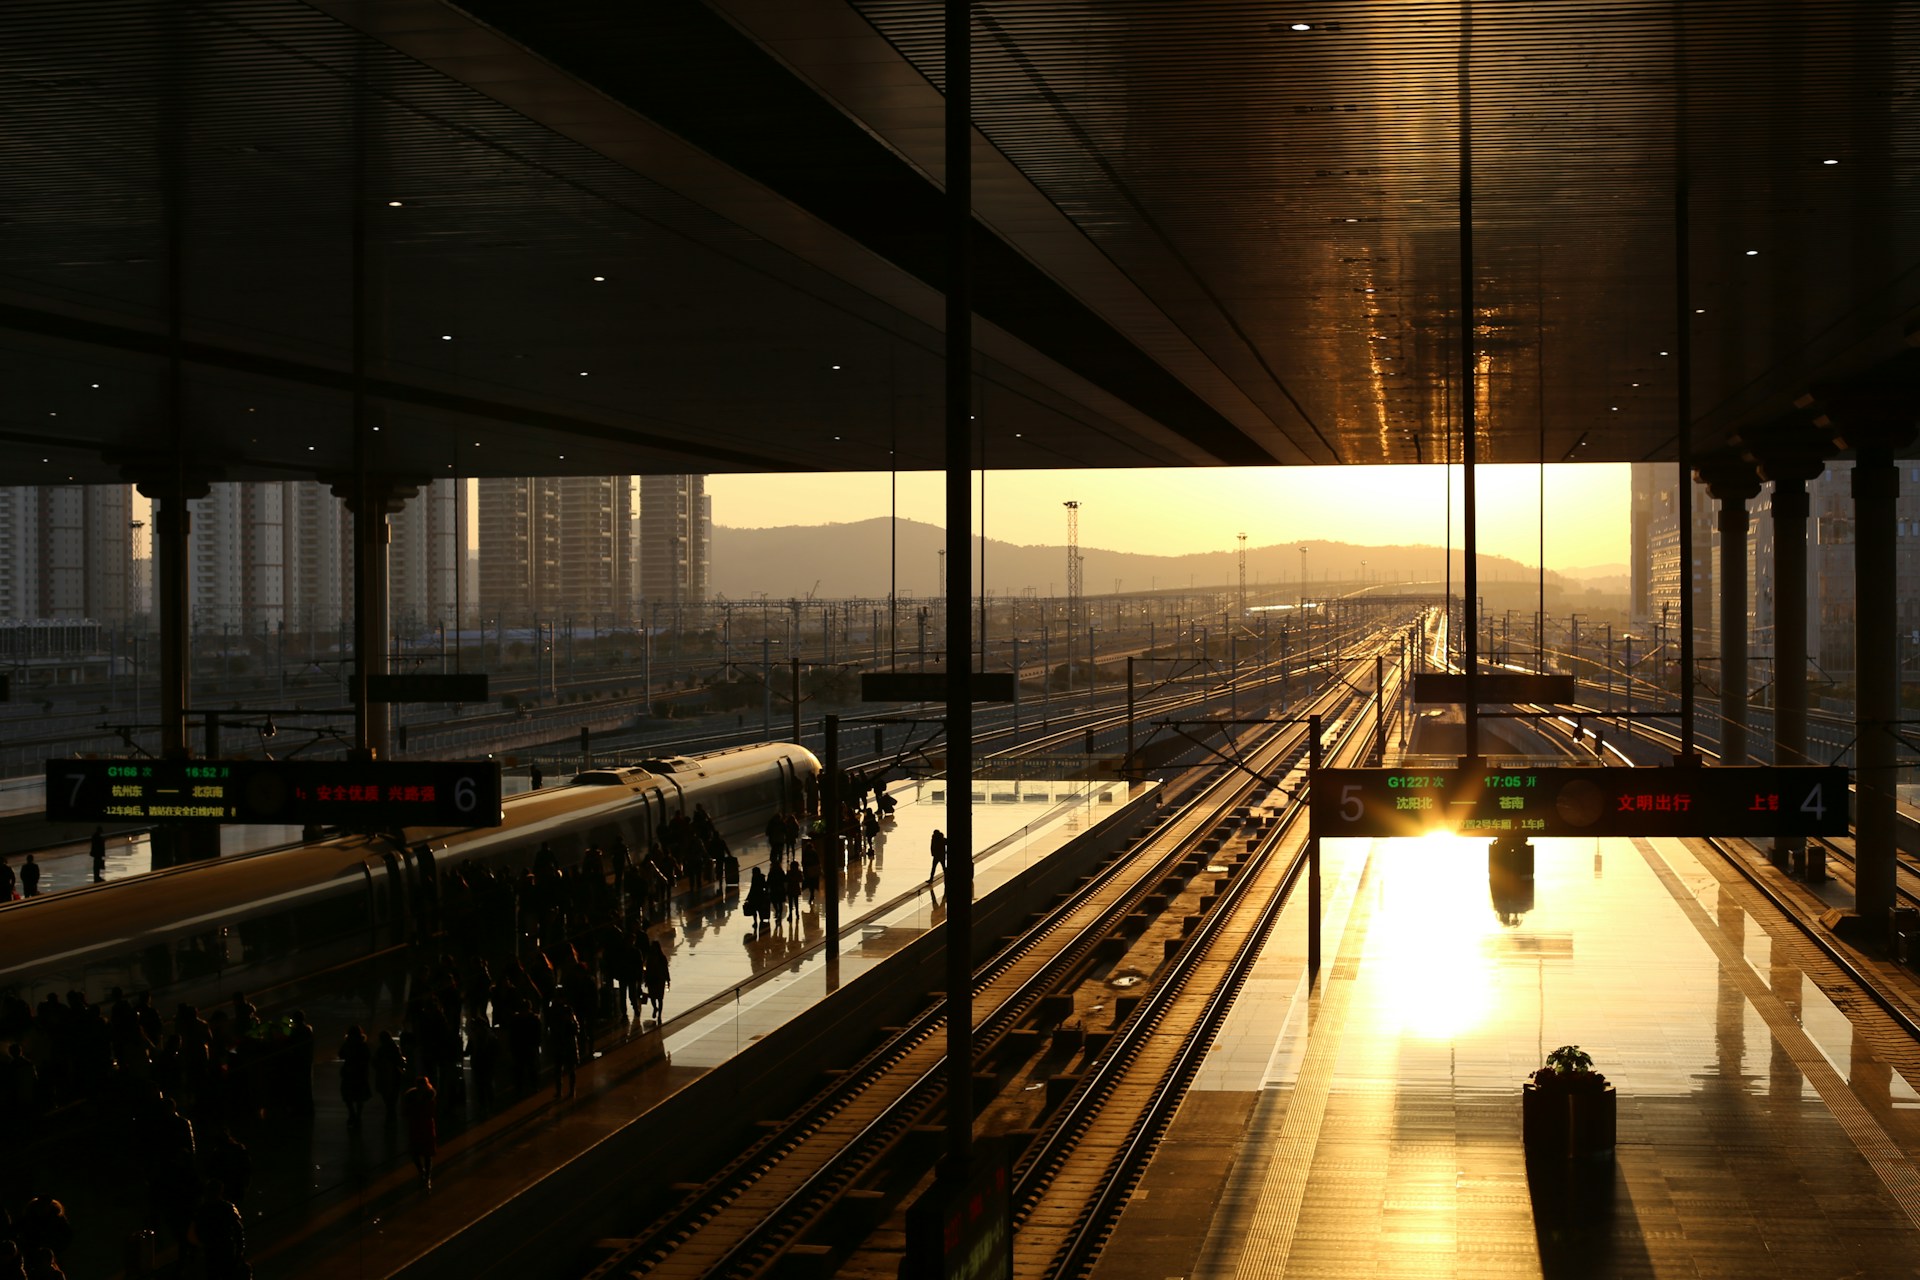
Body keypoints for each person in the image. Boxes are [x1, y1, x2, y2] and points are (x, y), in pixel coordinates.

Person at [401, 1075, 437, 1188]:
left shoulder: (412, 1097)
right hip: (423, 1125)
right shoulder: (429, 1096)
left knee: (421, 1152)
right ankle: (425, 1174)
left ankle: (424, 1173)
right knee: (424, 1153)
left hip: (420, 1125)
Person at [338, 1025, 371, 1123]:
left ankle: (352, 1113)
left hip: (349, 1072)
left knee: (348, 1095)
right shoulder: (363, 1045)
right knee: (359, 1096)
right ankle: (358, 1116)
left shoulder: (347, 1044)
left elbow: (341, 1054)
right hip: (360, 1073)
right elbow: (367, 1057)